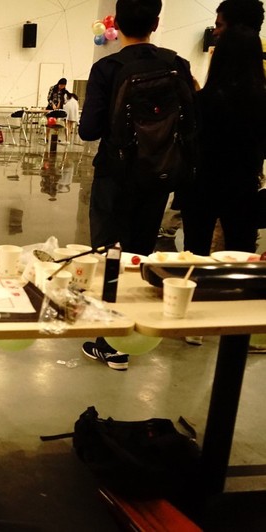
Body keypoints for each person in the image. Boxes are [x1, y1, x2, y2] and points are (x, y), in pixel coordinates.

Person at [78, 0, 196, 371]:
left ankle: (110, 343)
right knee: (140, 254)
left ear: (116, 23)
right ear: (156, 23)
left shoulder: (107, 68)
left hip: (115, 176)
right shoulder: (177, 64)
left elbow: (88, 130)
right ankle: (134, 333)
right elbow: (191, 121)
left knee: (110, 255)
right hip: (158, 174)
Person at [182, 26, 266, 256]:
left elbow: (188, 141)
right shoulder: (261, 102)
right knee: (242, 254)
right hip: (243, 186)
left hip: (200, 184)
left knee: (194, 255)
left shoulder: (201, 100)